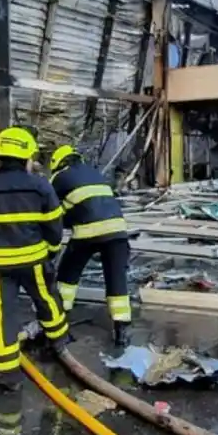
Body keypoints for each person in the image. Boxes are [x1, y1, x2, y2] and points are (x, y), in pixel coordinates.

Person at [0, 127, 68, 392]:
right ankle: (58, 344)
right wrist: (51, 251)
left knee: (3, 315)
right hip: (34, 260)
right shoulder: (40, 187)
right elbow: (54, 226)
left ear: (0, 157)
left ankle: (7, 375)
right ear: (26, 158)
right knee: (46, 301)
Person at [49, 145, 132, 347]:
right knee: (116, 280)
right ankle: (122, 331)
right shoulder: (95, 173)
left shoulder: (59, 178)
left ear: (58, 163)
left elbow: (50, 211)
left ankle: (61, 317)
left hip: (87, 232)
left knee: (68, 274)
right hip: (118, 232)